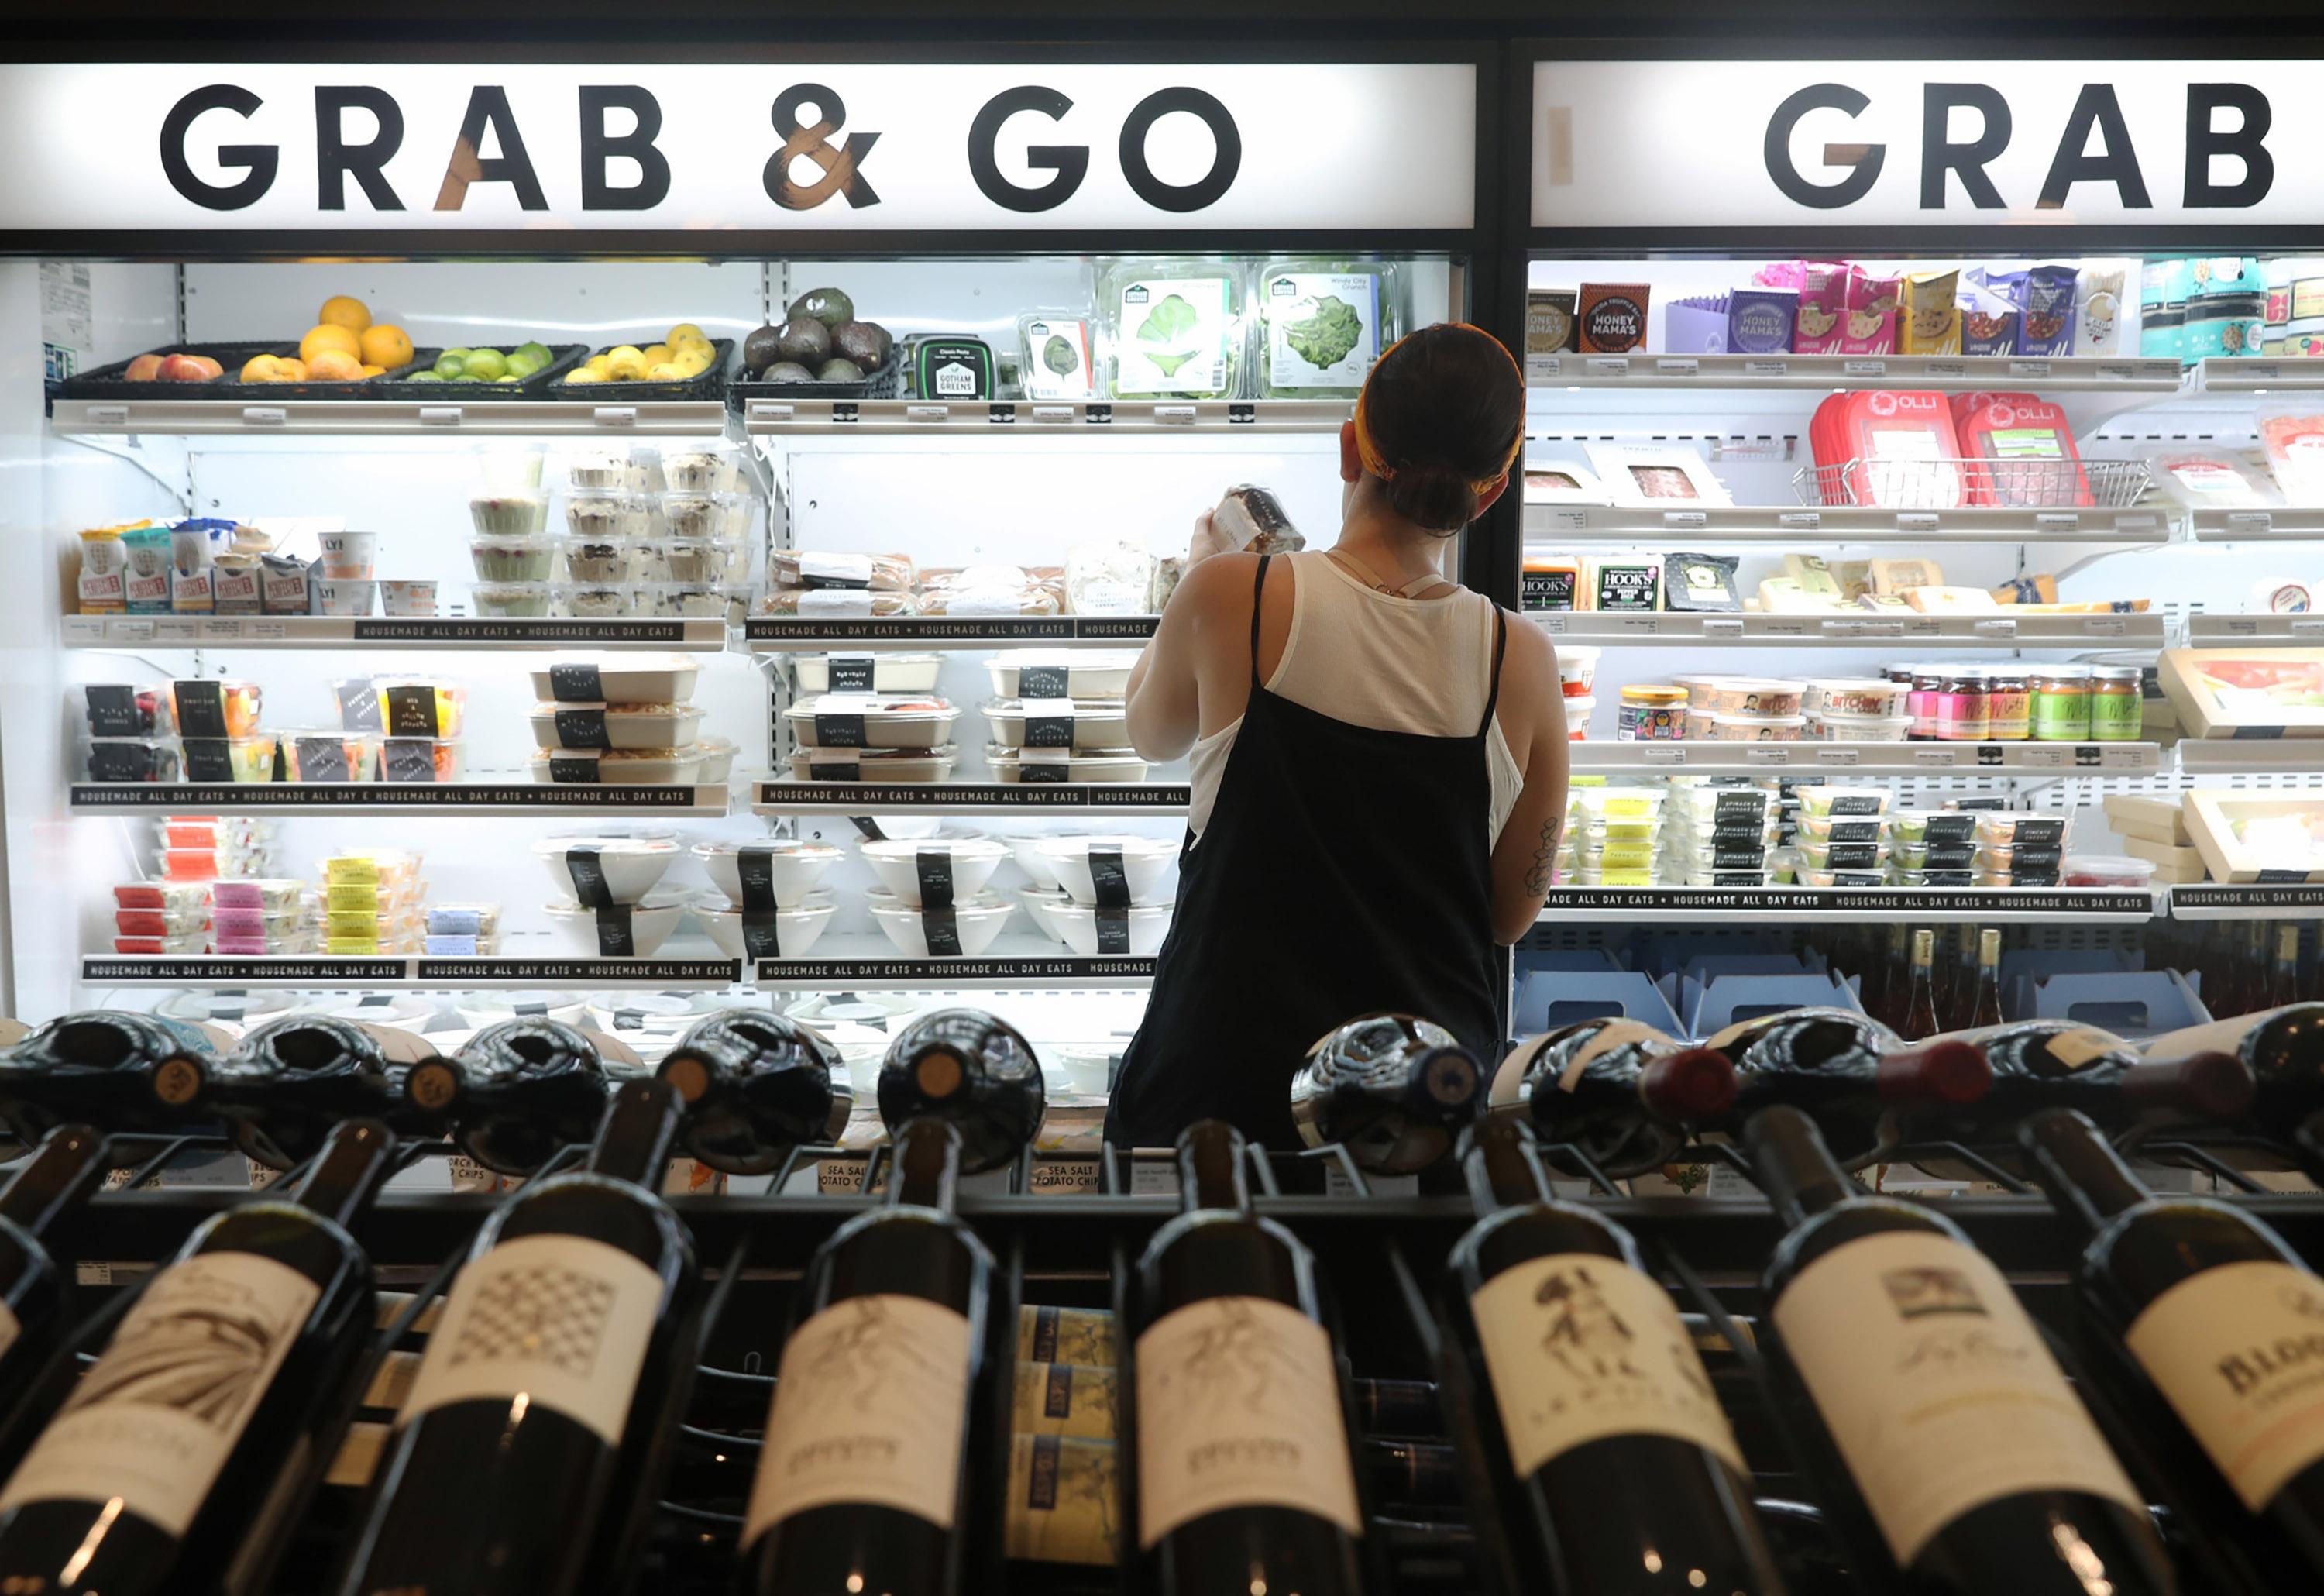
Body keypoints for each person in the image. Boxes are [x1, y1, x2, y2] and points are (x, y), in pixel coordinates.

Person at [1105, 322, 1569, 1152]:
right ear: (1491, 493)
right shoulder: (1522, 658)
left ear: (1349, 445)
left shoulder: (1233, 594)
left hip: (1222, 1091)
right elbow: (1510, 912)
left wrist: (1198, 573)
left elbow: (1150, 732)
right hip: (1422, 1100)